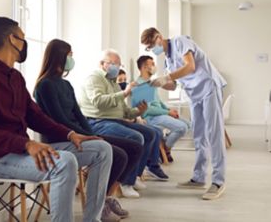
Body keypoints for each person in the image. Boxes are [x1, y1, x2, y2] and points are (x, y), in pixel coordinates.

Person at [0, 17, 112, 222]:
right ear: (13, 39)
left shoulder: (16, 78)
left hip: (21, 151)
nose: (24, 43)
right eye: (23, 38)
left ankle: (92, 219)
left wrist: (70, 134)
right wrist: (26, 143)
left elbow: (35, 116)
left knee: (102, 149)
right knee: (64, 162)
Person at [34, 39, 143, 221]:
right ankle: (97, 210)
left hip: (80, 135)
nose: (71, 59)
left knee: (134, 148)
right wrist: (87, 136)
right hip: (61, 139)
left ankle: (106, 199)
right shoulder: (45, 86)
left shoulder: (66, 85)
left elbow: (79, 115)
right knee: (119, 154)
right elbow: (59, 119)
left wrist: (92, 135)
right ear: (59, 57)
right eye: (69, 55)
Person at [140, 27, 227, 200]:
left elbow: (190, 66)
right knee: (199, 136)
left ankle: (218, 181)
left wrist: (167, 78)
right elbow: (172, 85)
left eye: (152, 44)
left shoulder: (180, 42)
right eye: (148, 48)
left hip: (209, 87)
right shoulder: (168, 60)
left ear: (159, 37)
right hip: (194, 95)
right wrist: (155, 82)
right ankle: (199, 177)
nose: (152, 49)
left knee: (213, 134)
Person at [78, 49, 169, 198]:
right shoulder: (94, 78)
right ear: (102, 64)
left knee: (150, 133)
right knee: (136, 137)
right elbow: (99, 102)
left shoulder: (112, 81)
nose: (118, 67)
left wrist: (137, 111)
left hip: (114, 120)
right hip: (97, 121)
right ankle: (126, 182)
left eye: (120, 64)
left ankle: (135, 176)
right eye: (115, 64)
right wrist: (125, 93)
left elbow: (123, 110)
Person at [133, 55, 188, 162]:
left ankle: (164, 144)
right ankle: (166, 150)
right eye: (152, 64)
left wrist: (169, 110)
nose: (155, 66)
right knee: (182, 128)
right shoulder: (139, 86)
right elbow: (148, 109)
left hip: (160, 114)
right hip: (151, 117)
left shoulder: (151, 83)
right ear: (144, 67)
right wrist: (167, 112)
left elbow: (158, 102)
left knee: (188, 124)